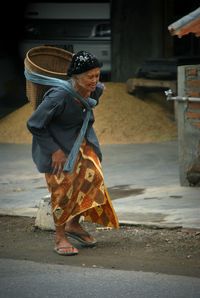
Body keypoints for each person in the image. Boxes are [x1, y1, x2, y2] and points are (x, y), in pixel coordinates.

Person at [27, 50, 119, 256]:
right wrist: (54, 151)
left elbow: (91, 102)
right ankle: (60, 237)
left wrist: (93, 90)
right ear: (76, 77)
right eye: (90, 76)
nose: (95, 80)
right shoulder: (58, 96)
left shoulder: (94, 90)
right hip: (55, 147)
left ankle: (73, 224)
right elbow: (34, 124)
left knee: (94, 179)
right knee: (62, 191)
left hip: (79, 142)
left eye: (97, 75)